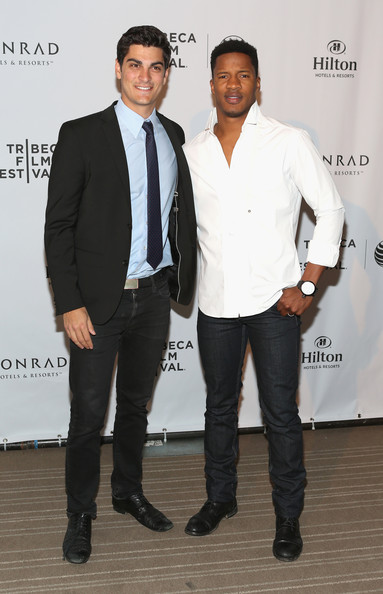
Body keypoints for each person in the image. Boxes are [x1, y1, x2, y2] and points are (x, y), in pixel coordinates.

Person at [183, 38, 344, 562]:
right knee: (218, 409)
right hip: (215, 306)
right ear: (211, 84)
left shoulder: (287, 141)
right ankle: (220, 499)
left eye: (243, 75)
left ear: (257, 83)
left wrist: (307, 284)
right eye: (224, 75)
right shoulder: (193, 151)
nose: (233, 84)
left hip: (276, 306)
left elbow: (332, 209)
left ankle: (288, 515)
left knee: (280, 413)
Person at [44, 25, 196, 564]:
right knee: (88, 413)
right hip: (97, 302)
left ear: (167, 75)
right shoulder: (82, 133)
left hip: (154, 296)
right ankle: (79, 514)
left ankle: (127, 491)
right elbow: (58, 227)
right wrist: (69, 302)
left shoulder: (175, 135)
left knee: (134, 406)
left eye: (156, 66)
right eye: (135, 65)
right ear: (118, 68)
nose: (145, 76)